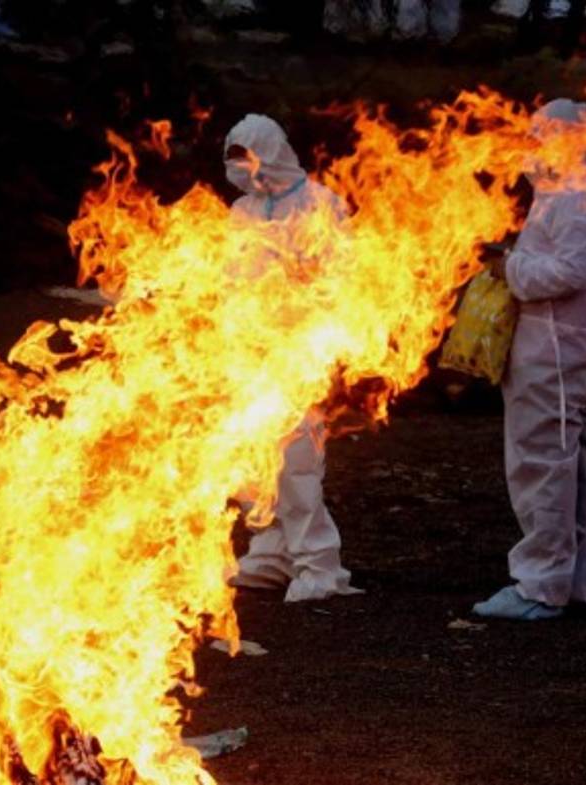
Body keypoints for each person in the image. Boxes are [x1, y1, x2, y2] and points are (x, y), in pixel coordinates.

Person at [473, 99, 586, 621]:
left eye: (542, 136)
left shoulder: (573, 200)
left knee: (542, 466)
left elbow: (568, 271)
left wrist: (509, 265)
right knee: (580, 469)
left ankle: (540, 586)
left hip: (556, 353)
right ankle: (582, 582)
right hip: (578, 350)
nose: (533, 147)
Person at [222, 113, 362, 603]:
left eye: (247, 157)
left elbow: (341, 281)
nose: (240, 169)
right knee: (249, 463)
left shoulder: (320, 205)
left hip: (298, 352)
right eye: (233, 159)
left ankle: (319, 565)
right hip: (246, 354)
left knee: (297, 463)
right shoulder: (242, 210)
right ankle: (271, 550)